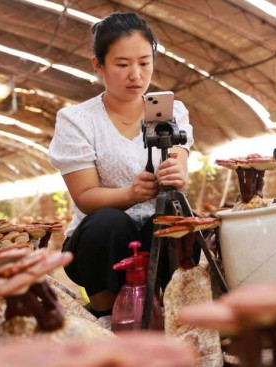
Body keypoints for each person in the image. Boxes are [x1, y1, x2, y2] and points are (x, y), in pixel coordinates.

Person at [49, 12, 193, 318]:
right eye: (122, 64)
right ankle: (107, 313)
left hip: (153, 233)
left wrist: (177, 173)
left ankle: (170, 308)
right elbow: (85, 196)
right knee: (109, 222)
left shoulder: (169, 111)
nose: (136, 75)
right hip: (102, 243)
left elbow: (179, 158)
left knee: (176, 222)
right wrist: (130, 194)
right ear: (98, 65)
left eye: (144, 62)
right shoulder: (78, 120)